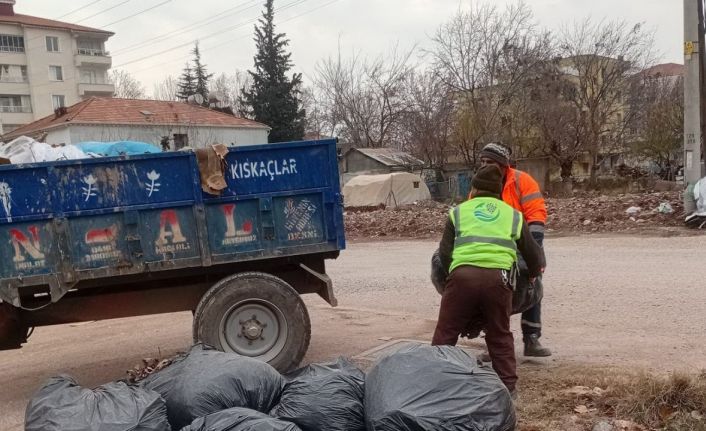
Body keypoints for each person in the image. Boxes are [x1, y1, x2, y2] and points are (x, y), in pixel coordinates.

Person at [432, 164, 545, 393]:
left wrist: (450, 281)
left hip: (462, 278)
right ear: (499, 190)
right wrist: (532, 276)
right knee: (500, 336)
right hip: (499, 281)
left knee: (445, 334)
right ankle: (508, 391)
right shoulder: (513, 215)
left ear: (473, 188)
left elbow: (444, 253)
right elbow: (534, 255)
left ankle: (434, 386)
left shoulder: (458, 212)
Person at [476, 142, 552, 357]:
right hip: (494, 244)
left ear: (503, 165)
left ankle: (531, 338)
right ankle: (495, 343)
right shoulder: (479, 185)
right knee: (495, 292)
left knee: (531, 285)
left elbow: (536, 214)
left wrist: (533, 250)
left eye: (489, 162)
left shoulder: (522, 181)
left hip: (523, 240)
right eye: (482, 161)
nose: (484, 166)